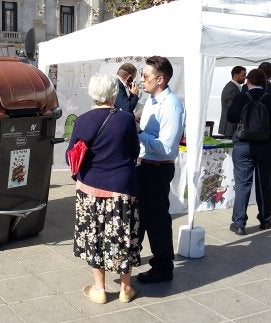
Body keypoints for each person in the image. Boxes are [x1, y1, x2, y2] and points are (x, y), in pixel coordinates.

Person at [66, 73, 141, 304]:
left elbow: (72, 155)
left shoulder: (83, 120)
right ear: (114, 93)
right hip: (121, 188)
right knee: (122, 237)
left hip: (91, 188)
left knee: (94, 237)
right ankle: (125, 289)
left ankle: (99, 289)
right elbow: (135, 151)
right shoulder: (126, 119)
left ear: (92, 94)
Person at [136, 56, 185, 284]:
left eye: (146, 76)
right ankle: (137, 254)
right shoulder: (152, 101)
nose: (142, 79)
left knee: (157, 220)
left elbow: (166, 148)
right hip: (146, 166)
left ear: (161, 79)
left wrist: (140, 133)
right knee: (144, 216)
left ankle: (163, 266)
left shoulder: (172, 105)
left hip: (158, 168)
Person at [227, 68, 271, 235]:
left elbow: (231, 117)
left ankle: (239, 224)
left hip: (243, 146)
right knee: (264, 184)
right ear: (265, 82)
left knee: (242, 184)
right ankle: (265, 220)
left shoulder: (241, 97)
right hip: (267, 147)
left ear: (248, 81)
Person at [242, 62, 271, 198]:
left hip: (246, 135)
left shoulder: (245, 88)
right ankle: (266, 196)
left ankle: (245, 204)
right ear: (270, 74)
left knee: (245, 174)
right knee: (266, 172)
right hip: (268, 136)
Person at [219, 66, 246, 138]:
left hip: (230, 126)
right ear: (235, 76)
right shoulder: (233, 89)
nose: (245, 77)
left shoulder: (233, 87)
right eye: (243, 75)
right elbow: (233, 108)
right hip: (230, 127)